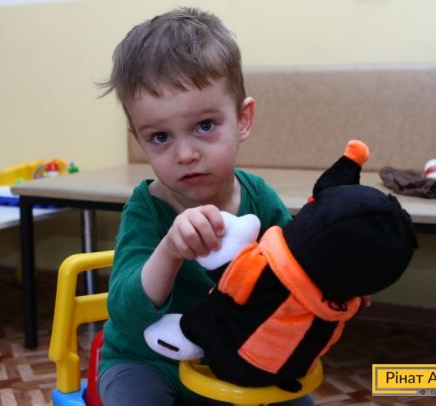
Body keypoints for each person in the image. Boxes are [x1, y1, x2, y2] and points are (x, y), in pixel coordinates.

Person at [97, 7, 314, 406]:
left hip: (233, 360)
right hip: (146, 361)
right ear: (139, 140)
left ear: (243, 119)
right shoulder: (147, 208)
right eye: (160, 136)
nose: (185, 154)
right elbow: (125, 312)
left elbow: (297, 269)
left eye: (205, 126)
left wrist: (335, 280)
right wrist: (170, 249)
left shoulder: (260, 198)